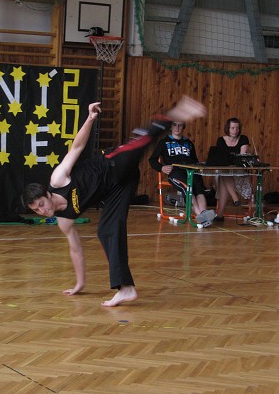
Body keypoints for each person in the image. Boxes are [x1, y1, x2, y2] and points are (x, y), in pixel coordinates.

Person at [22, 96, 207, 307]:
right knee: (107, 230)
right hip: (119, 188)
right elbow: (75, 250)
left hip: (113, 163)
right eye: (36, 210)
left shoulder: (58, 179)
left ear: (47, 194)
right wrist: (79, 283)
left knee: (137, 144)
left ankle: (176, 114)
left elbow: (77, 147)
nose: (42, 210)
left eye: (41, 204)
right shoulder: (64, 220)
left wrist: (90, 118)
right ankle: (126, 288)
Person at [148, 120, 215, 226]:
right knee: (187, 187)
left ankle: (203, 213)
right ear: (170, 127)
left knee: (199, 188)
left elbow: (194, 160)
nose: (177, 127)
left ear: (183, 127)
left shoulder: (189, 143)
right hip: (176, 173)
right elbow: (152, 160)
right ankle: (200, 216)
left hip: (191, 172)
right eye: (174, 125)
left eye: (180, 125)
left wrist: (200, 166)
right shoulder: (163, 142)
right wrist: (161, 168)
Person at [214, 117, 250, 221]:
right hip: (225, 169)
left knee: (223, 176)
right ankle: (234, 199)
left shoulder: (243, 139)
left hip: (239, 171)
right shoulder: (221, 140)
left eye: (237, 128)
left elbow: (242, 157)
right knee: (224, 173)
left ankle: (220, 215)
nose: (235, 130)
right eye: (232, 128)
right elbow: (220, 158)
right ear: (227, 128)